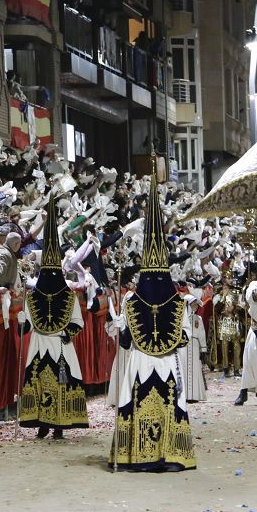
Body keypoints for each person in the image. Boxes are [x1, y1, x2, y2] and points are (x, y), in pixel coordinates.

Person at [109, 159, 196, 472]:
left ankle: (138, 456)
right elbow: (184, 338)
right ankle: (169, 454)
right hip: (165, 362)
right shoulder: (178, 303)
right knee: (169, 403)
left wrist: (119, 332)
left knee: (141, 399)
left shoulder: (132, 302)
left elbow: (124, 342)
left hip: (141, 363)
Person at [18, 192, 89, 438]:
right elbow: (26, 325)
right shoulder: (37, 297)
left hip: (57, 344)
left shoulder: (65, 296)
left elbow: (77, 323)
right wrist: (21, 323)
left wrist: (67, 333)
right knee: (42, 380)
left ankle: (58, 425)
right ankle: (44, 424)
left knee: (59, 381)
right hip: (45, 342)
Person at [235, 261, 257, 405]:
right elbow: (253, 298)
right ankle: (243, 393)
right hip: (256, 328)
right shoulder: (254, 285)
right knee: (249, 359)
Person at [209, 266, 245, 377]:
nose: (230, 280)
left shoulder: (237, 291)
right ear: (224, 279)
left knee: (236, 345)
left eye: (231, 278)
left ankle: (236, 369)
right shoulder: (218, 291)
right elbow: (216, 308)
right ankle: (225, 368)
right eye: (228, 278)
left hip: (234, 321)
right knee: (224, 346)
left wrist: (235, 308)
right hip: (224, 322)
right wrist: (223, 297)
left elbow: (242, 306)